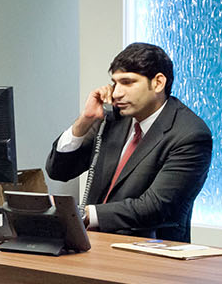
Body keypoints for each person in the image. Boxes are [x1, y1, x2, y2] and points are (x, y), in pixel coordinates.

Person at [45, 42, 212, 242]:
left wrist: (84, 214)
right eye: (115, 83)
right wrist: (85, 120)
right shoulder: (113, 119)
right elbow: (59, 171)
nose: (116, 93)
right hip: (94, 244)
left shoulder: (190, 134)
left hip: (148, 250)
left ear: (158, 83)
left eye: (127, 82)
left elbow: (156, 206)